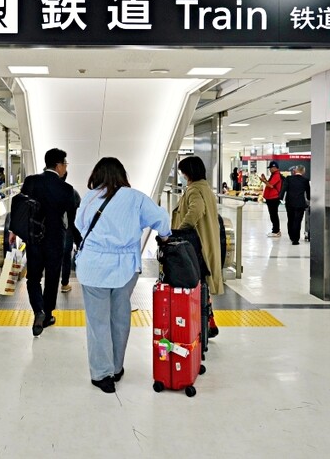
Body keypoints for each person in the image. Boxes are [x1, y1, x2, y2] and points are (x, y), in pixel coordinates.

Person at [74, 157, 171, 394]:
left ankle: (102, 374)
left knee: (98, 323)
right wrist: (166, 236)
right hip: (125, 267)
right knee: (120, 317)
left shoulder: (89, 197)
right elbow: (161, 219)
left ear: (97, 175)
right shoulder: (135, 197)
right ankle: (116, 368)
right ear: (122, 175)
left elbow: (78, 225)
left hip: (93, 266)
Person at [15, 148, 78, 337]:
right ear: (59, 165)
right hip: (55, 240)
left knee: (33, 278)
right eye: (65, 164)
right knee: (52, 278)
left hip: (34, 239)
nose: (65, 168)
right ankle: (48, 314)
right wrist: (77, 239)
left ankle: (38, 311)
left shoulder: (31, 181)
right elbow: (72, 220)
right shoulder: (66, 189)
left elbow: (21, 208)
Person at [172, 156, 224, 295]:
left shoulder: (194, 190)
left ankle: (198, 312)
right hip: (207, 239)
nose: (182, 176)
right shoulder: (205, 188)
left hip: (196, 241)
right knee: (205, 280)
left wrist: (181, 229)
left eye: (183, 172)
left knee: (198, 277)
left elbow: (197, 209)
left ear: (189, 172)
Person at [60, 172, 81, 294]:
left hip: (49, 231)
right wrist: (78, 240)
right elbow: (77, 217)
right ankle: (64, 284)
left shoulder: (44, 189)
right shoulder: (72, 192)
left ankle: (49, 287)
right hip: (67, 230)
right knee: (66, 257)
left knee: (51, 258)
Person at [281, 165, 310, 245]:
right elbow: (308, 193)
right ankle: (296, 239)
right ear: (303, 171)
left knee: (290, 219)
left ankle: (291, 236)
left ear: (295, 171)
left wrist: (280, 198)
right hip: (300, 203)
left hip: (289, 203)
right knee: (298, 221)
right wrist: (309, 199)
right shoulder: (305, 180)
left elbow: (284, 189)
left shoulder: (289, 179)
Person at [259, 161, 283, 237]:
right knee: (273, 214)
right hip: (271, 198)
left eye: (270, 168)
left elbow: (271, 185)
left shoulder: (276, 175)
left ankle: (276, 231)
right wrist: (265, 179)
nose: (269, 170)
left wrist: (263, 181)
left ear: (274, 168)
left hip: (274, 198)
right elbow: (270, 183)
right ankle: (275, 230)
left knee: (274, 215)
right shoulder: (274, 175)